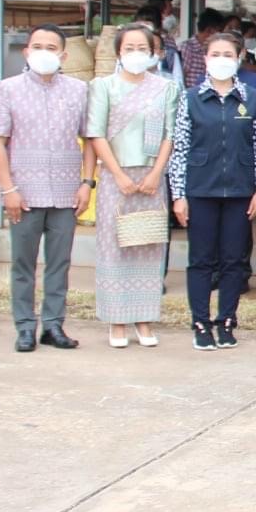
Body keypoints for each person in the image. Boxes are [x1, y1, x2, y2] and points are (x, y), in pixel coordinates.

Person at [0, 24, 94, 353]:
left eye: (51, 47)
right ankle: (24, 326)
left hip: (65, 191)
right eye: (37, 46)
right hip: (24, 192)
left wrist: (87, 182)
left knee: (59, 262)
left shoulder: (78, 90)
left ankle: (53, 325)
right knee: (23, 263)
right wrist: (8, 189)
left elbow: (90, 138)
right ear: (26, 51)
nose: (43, 53)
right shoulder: (8, 89)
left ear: (62, 55)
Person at [86, 22, 179, 347]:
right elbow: (95, 133)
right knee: (115, 247)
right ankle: (117, 321)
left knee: (149, 245)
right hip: (116, 177)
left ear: (154, 52)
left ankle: (144, 318)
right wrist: (118, 174)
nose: (136, 54)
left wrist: (156, 173)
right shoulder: (103, 86)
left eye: (143, 49)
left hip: (153, 178)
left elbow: (171, 133)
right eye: (130, 49)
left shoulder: (166, 88)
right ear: (118, 53)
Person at [171, 32, 256, 350]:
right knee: (200, 260)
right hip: (201, 190)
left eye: (228, 54)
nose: (222, 60)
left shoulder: (252, 97)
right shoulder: (191, 98)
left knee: (233, 260)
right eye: (215, 54)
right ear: (206, 59)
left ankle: (226, 320)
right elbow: (180, 149)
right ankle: (200, 321)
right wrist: (179, 195)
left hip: (240, 190)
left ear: (239, 58)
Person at [176, 8, 225, 88]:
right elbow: (181, 76)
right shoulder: (188, 47)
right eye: (218, 31)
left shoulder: (212, 49)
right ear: (209, 30)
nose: (220, 36)